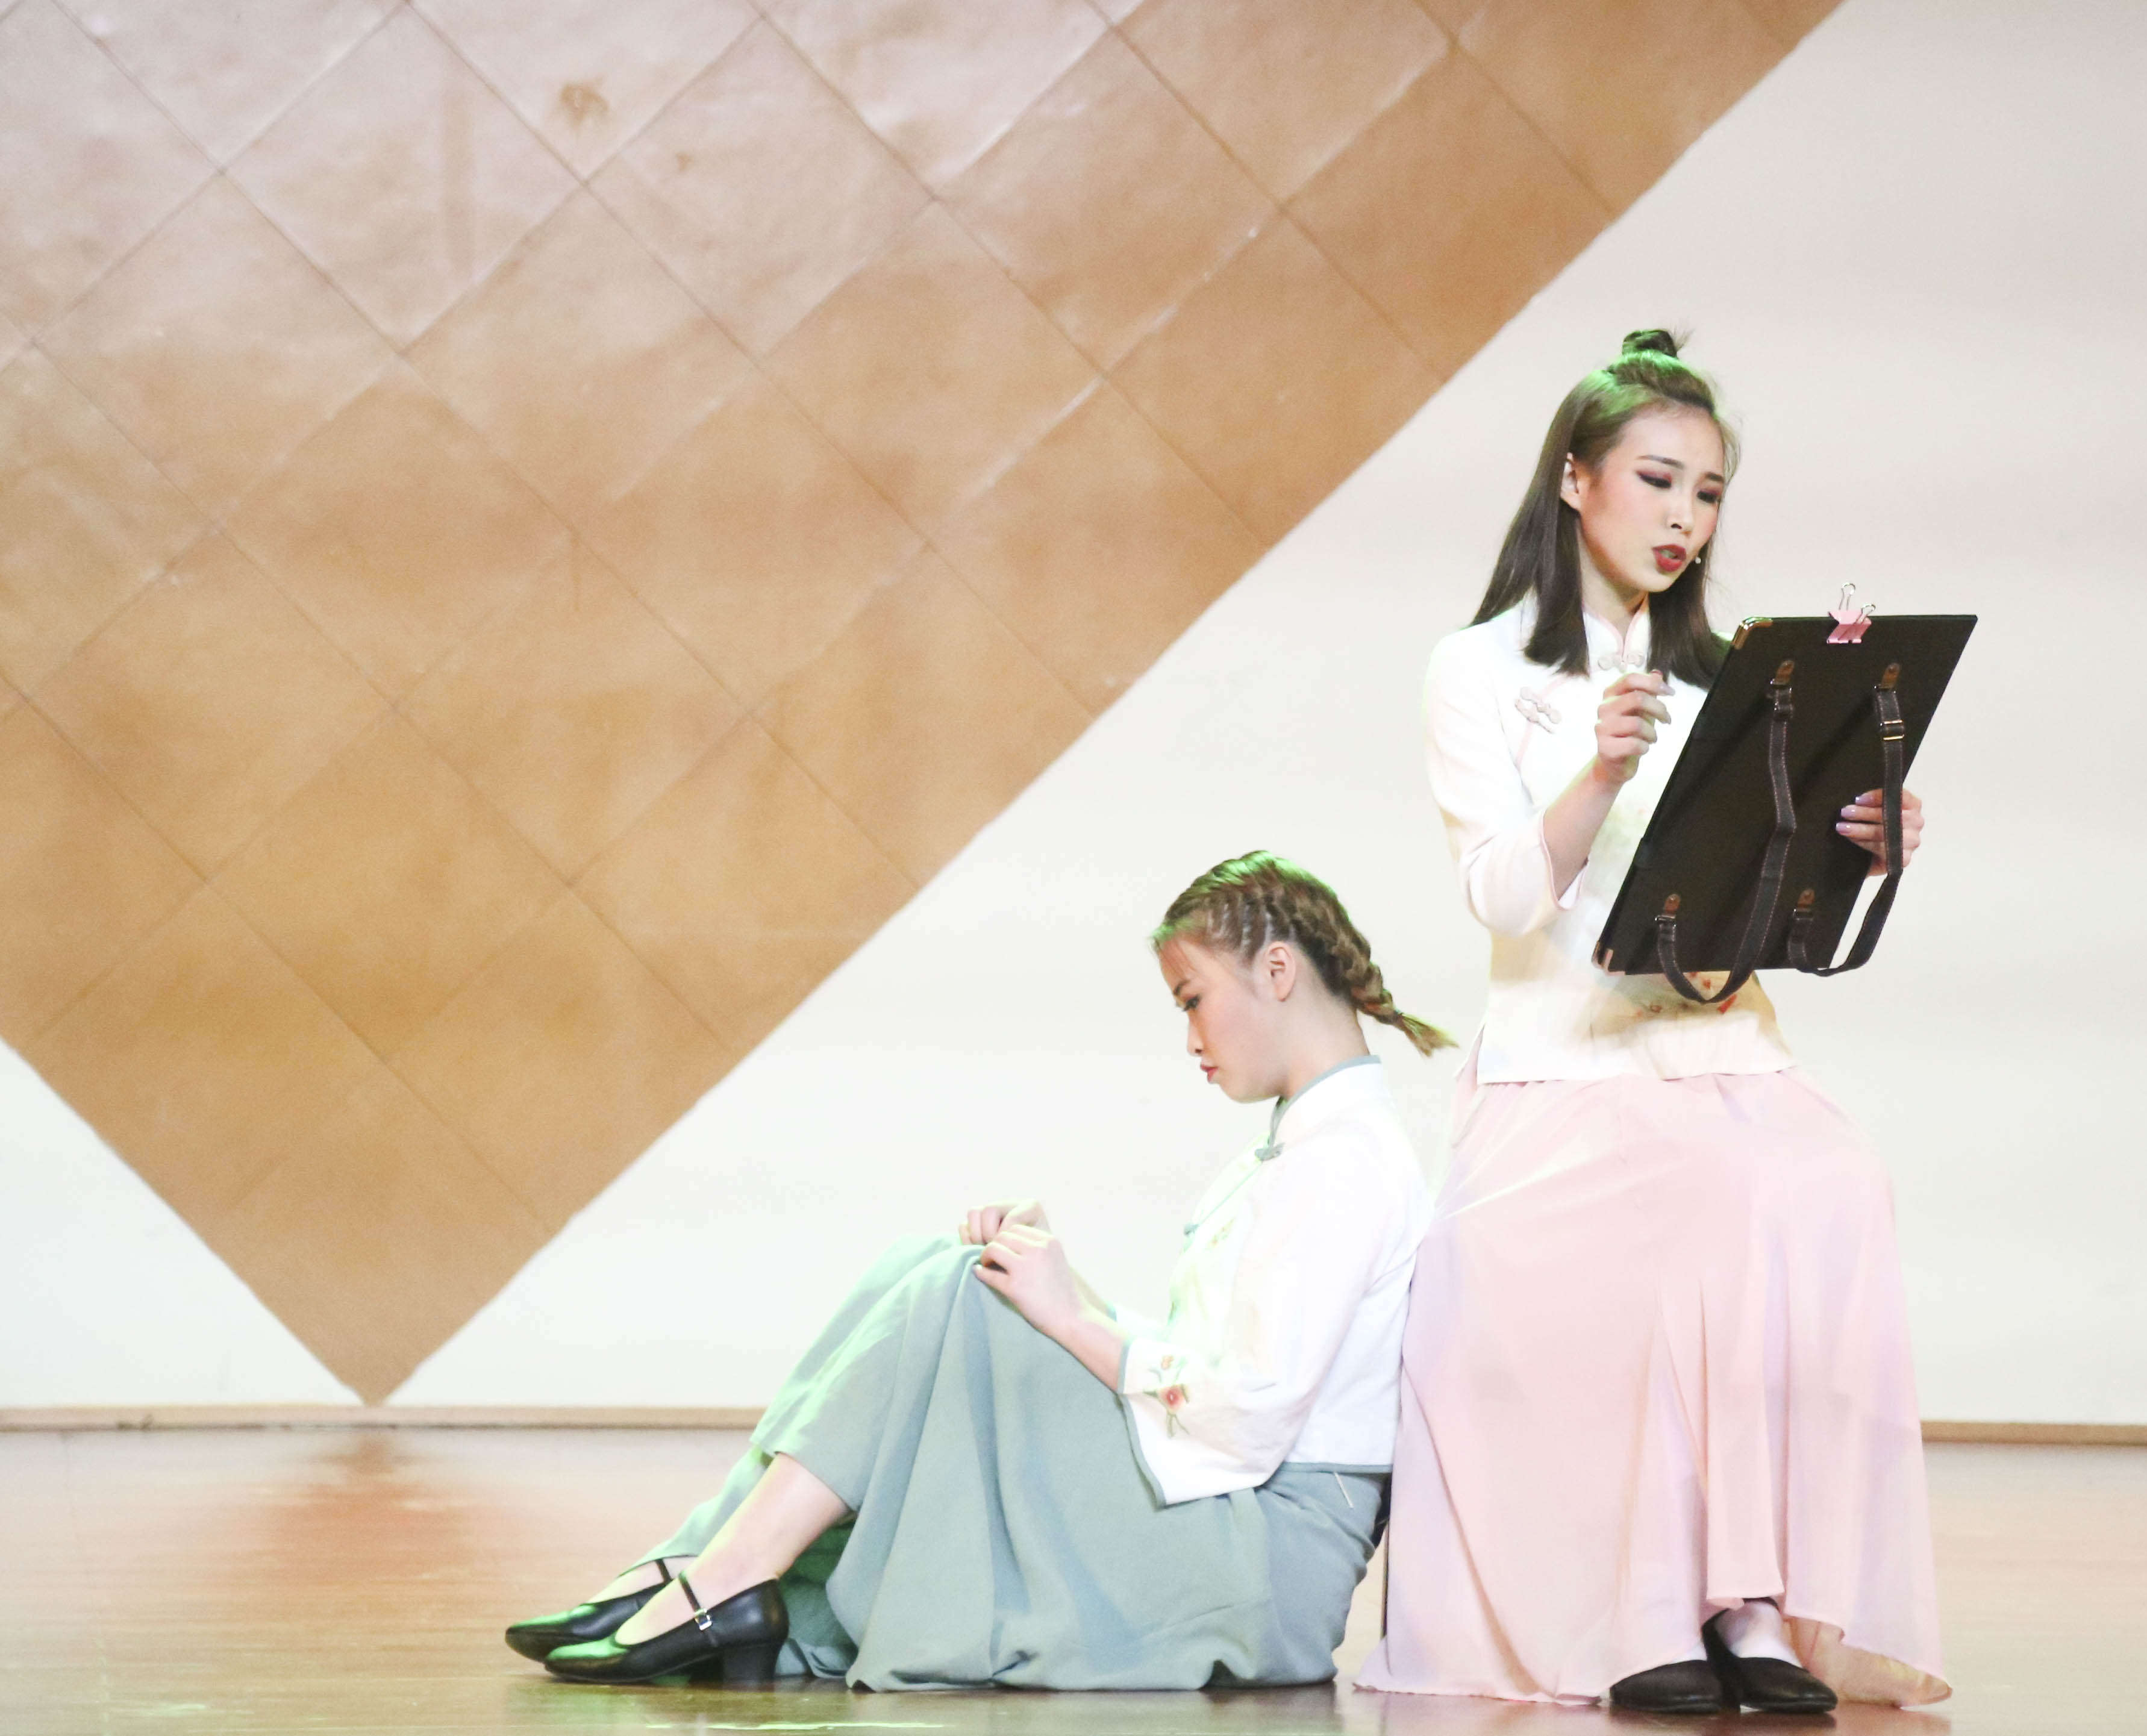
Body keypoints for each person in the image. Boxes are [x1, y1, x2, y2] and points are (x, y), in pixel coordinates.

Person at [1355, 331, 1952, 1714]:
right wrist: (1598, 770)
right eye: (1658, 479)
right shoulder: (1478, 669)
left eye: (1710, 492)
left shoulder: (1731, 681)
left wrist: (1857, 847)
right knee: (1693, 1217)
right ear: (1575, 480)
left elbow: (1753, 906)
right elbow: (1506, 898)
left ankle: (1751, 1598)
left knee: (1829, 1181)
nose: (1685, 517)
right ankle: (1647, 1609)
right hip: (1565, 1063)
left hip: (1718, 1046)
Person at [505, 854, 1447, 1690]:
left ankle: (723, 1576)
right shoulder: (1305, 1149)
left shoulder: (1347, 1161)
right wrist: (1061, 1290)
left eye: (1192, 999)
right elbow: (1221, 1371)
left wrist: (1070, 1318)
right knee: (938, 1266)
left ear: (1277, 971)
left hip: (1261, 1556)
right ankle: (707, 1561)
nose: (1190, 1036)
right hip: (1225, 1502)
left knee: (960, 1292)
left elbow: (1246, 1415)